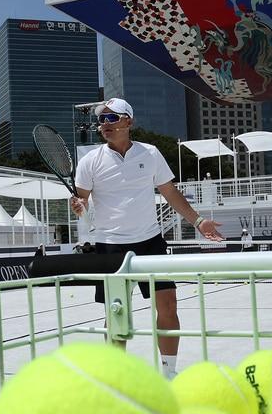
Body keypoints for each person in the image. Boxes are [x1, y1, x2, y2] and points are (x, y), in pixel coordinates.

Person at [71, 98, 224, 378]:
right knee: (117, 313)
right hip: (109, 245)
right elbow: (82, 203)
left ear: (128, 121)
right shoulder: (90, 161)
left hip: (150, 241)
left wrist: (199, 221)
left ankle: (168, 372)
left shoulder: (150, 153)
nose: (104, 124)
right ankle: (116, 376)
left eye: (111, 118)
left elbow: (170, 193)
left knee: (168, 305)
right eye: (101, 120)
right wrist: (80, 208)